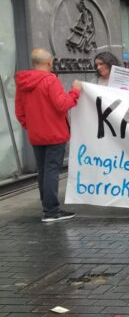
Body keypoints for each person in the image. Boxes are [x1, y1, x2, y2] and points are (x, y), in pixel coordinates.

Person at [15, 48, 82, 222]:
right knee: (51, 171)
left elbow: (19, 111)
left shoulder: (23, 83)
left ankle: (47, 208)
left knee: (43, 171)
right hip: (55, 133)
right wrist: (75, 91)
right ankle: (51, 211)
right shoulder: (50, 80)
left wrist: (32, 126)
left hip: (36, 135)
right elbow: (62, 104)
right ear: (49, 62)